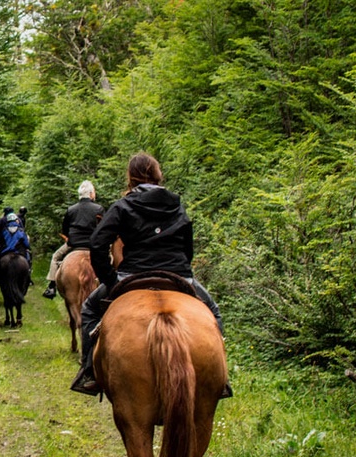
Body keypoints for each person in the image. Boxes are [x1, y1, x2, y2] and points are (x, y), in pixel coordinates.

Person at [70, 152, 225, 396]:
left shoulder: (123, 206)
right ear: (158, 175)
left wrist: (111, 281)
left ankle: (89, 372)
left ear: (131, 178)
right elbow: (188, 247)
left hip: (133, 275)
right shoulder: (176, 204)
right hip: (178, 274)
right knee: (213, 312)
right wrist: (180, 269)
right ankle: (220, 380)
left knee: (89, 308)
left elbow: (98, 243)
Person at [43, 181, 102, 299]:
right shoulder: (98, 209)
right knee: (111, 260)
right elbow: (102, 229)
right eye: (94, 192)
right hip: (93, 245)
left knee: (55, 257)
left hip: (73, 244)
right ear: (91, 194)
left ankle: (52, 285)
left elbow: (64, 230)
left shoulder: (71, 209)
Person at [0, 207, 30, 284]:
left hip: (5, 245)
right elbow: (23, 231)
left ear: (5, 212)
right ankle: (28, 275)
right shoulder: (19, 219)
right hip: (19, 245)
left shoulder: (1, 220)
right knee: (28, 256)